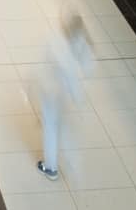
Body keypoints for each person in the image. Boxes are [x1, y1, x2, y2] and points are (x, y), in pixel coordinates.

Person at [35, 15, 93, 181]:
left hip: (52, 93)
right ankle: (70, 165)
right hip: (69, 96)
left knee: (51, 129)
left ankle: (51, 167)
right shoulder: (84, 43)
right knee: (62, 128)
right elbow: (88, 68)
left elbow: (43, 67)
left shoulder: (56, 43)